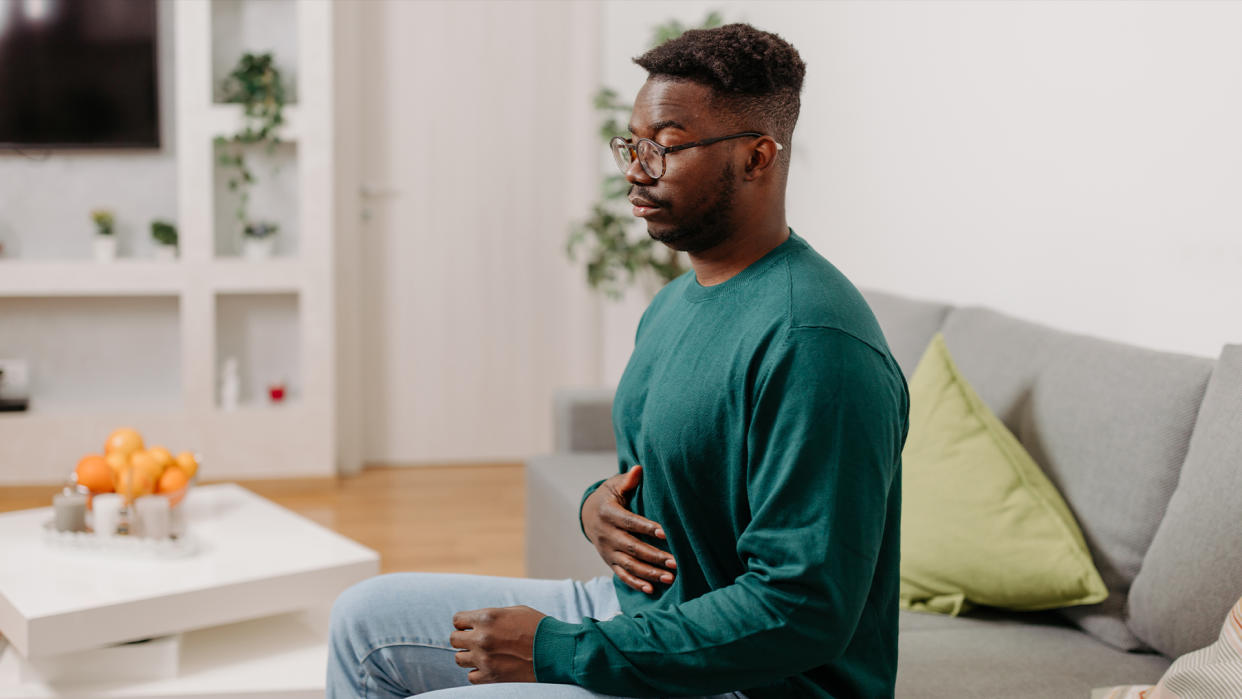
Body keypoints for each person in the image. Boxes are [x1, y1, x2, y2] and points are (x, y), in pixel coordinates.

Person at [327, 23, 909, 699]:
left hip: (752, 682)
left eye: (665, 147)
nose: (636, 169)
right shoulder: (674, 304)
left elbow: (800, 610)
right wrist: (593, 508)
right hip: (647, 619)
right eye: (631, 144)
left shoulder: (816, 342)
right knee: (361, 619)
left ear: (756, 158)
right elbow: (663, 475)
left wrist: (561, 649)